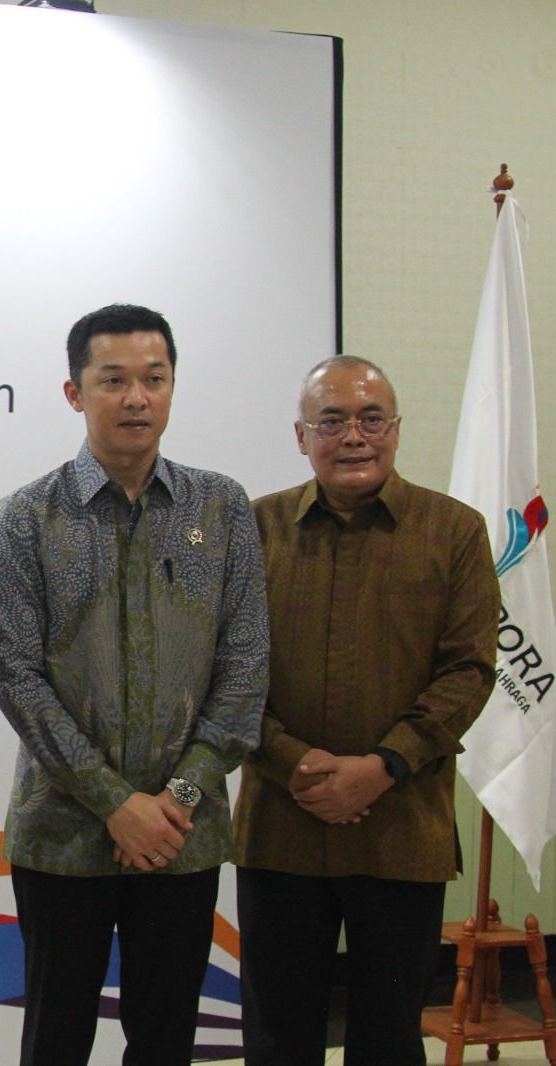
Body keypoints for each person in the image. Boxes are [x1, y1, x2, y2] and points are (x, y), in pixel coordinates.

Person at [0, 303, 269, 1066]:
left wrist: (175, 800)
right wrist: (115, 803)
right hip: (61, 836)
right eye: (113, 380)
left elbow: (245, 667)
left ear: (173, 386)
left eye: (154, 378)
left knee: (167, 1037)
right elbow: (18, 680)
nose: (136, 397)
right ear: (75, 393)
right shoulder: (25, 519)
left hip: (182, 834)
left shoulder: (222, 508)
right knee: (56, 1038)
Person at [235, 355, 497, 1065]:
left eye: (371, 419)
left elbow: (469, 670)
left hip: (402, 829)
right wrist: (296, 763)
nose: (354, 436)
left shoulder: (455, 531)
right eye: (332, 420)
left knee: (389, 1039)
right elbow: (226, 672)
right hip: (281, 829)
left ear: (397, 430)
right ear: (300, 435)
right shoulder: (253, 529)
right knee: (277, 1040)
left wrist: (382, 767)